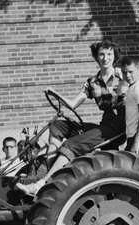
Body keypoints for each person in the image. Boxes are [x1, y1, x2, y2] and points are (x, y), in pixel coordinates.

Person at [21, 39, 127, 195]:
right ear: (96, 57)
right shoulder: (92, 82)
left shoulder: (122, 75)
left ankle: (42, 184)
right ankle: (48, 165)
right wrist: (56, 93)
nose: (105, 58)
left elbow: (136, 92)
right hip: (104, 125)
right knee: (57, 125)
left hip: (118, 126)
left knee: (71, 144)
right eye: (101, 54)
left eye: (109, 54)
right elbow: (72, 104)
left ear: (114, 56)